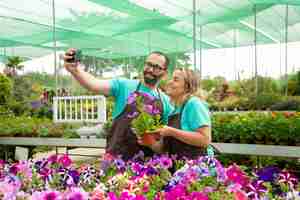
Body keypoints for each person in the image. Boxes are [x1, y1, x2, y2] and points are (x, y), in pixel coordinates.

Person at [64, 49, 173, 160]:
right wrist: (76, 70)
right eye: (148, 64)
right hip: (116, 161)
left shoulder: (166, 102)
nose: (150, 69)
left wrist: (153, 143)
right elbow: (94, 84)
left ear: (164, 73)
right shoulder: (124, 86)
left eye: (156, 67)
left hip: (145, 168)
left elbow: (164, 141)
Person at [139, 68, 211, 159]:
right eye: (171, 79)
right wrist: (149, 141)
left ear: (187, 86)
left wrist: (171, 132)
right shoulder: (174, 111)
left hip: (196, 169)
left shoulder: (193, 103)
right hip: (179, 168)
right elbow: (162, 149)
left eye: (176, 80)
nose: (169, 82)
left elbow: (205, 139)